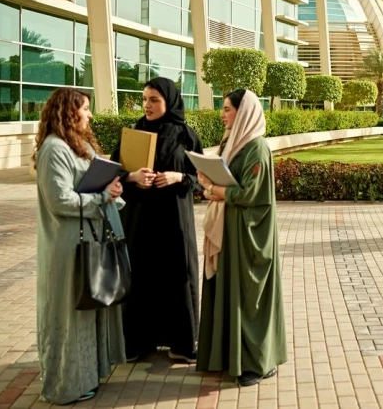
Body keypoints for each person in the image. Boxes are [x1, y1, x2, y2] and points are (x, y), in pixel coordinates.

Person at [33, 88, 126, 404]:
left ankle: (87, 376)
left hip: (87, 241)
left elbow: (92, 184)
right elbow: (59, 200)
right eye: (85, 108)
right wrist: (101, 197)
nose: (89, 115)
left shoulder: (80, 145)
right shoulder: (54, 149)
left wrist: (111, 190)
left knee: (86, 310)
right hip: (68, 245)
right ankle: (65, 385)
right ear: (68, 111)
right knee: (69, 315)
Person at [196, 89, 287, 386]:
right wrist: (208, 180)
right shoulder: (232, 144)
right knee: (227, 291)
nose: (222, 114)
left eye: (227, 109)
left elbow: (250, 193)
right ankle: (225, 355)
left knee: (249, 298)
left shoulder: (257, 148)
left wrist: (215, 191)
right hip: (230, 231)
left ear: (243, 113)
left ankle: (258, 362)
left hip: (249, 237)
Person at [110, 77, 202, 363]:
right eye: (145, 99)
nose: (147, 105)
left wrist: (179, 177)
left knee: (177, 275)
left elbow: (201, 180)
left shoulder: (186, 135)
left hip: (174, 221)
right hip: (139, 220)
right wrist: (132, 177)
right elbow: (113, 173)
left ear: (169, 102)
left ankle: (182, 343)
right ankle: (138, 343)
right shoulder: (134, 132)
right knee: (140, 277)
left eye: (154, 100)